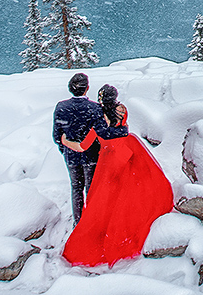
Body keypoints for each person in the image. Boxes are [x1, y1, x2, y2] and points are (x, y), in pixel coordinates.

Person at [60, 84, 174, 266]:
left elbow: (82, 146)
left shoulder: (98, 120)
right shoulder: (122, 109)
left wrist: (65, 141)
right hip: (129, 149)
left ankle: (110, 235)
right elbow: (124, 126)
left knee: (106, 199)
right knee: (132, 190)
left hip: (110, 157)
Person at [52, 72, 110, 224]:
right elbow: (102, 133)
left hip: (71, 155)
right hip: (92, 155)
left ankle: (78, 222)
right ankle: (92, 222)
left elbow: (57, 134)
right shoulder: (95, 108)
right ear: (87, 88)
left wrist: (65, 149)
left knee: (76, 188)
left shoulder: (61, 107)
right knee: (91, 189)